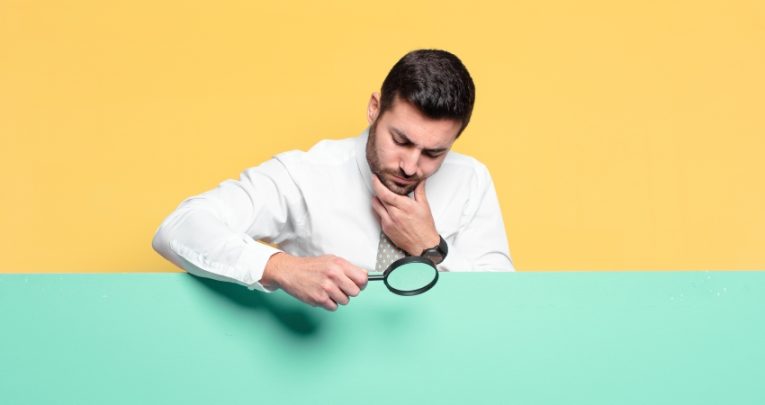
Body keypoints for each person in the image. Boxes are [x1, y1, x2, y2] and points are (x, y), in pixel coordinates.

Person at [152, 49, 513, 311]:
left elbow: (503, 301)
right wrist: (279, 267)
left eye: (434, 153)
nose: (410, 165)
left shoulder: (471, 181)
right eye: (400, 140)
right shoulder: (306, 175)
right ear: (375, 108)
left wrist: (431, 249)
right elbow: (179, 228)